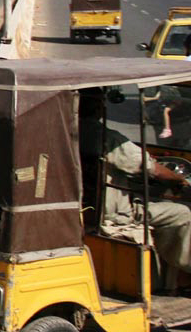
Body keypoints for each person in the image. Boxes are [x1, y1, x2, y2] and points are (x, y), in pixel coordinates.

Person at [81, 92, 191, 295]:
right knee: (183, 214)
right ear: (97, 108)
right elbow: (152, 169)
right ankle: (186, 272)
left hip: (85, 209)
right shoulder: (106, 137)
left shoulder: (65, 132)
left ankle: (166, 280)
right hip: (112, 215)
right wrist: (179, 180)